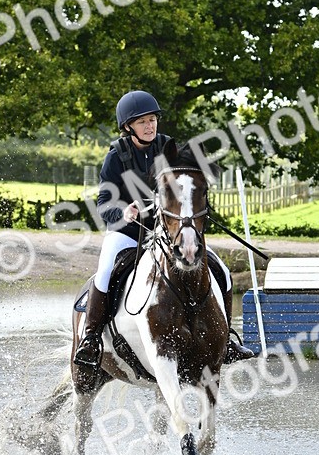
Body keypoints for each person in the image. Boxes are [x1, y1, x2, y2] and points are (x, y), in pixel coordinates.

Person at [73, 89, 255, 368]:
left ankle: (226, 338)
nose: (150, 126)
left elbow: (187, 186)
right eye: (142, 121)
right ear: (128, 127)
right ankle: (91, 338)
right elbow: (103, 203)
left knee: (222, 271)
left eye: (153, 120)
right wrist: (123, 211)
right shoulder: (116, 156)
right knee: (106, 271)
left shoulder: (168, 149)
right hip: (127, 233)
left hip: (166, 232)